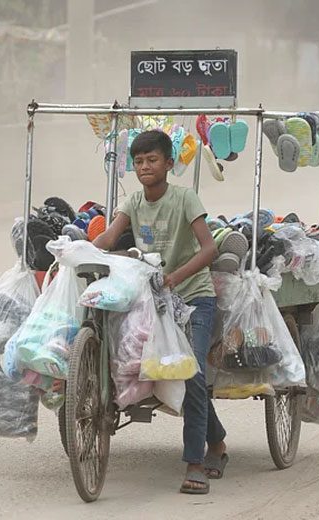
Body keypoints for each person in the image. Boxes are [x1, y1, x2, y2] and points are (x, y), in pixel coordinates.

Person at [93, 130, 228, 494]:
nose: (144, 167)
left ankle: (195, 462)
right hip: (156, 301)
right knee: (176, 372)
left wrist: (175, 277)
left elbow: (210, 249)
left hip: (195, 297)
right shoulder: (134, 203)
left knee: (193, 371)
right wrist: (82, 252)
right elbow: (109, 238)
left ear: (169, 164)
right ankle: (217, 442)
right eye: (138, 162)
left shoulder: (185, 198)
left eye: (152, 160)